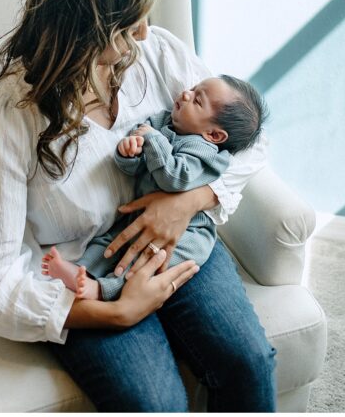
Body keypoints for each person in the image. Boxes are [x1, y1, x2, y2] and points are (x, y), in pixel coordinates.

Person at [0, 0, 276, 411]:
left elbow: (249, 142)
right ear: (84, 22)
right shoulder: (8, 114)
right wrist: (115, 313)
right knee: (155, 405)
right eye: (129, 20)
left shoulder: (157, 53)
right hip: (89, 269)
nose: (144, 32)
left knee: (249, 362)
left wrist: (187, 203)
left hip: (180, 237)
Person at [42, 75, 268, 301]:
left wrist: (152, 139)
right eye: (193, 89)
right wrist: (128, 153)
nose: (186, 94)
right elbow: (137, 166)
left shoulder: (203, 151)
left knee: (146, 264)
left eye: (197, 101)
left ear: (214, 135)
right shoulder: (164, 121)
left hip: (188, 234)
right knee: (109, 243)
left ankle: (103, 290)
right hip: (141, 216)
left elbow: (174, 177)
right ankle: (82, 271)